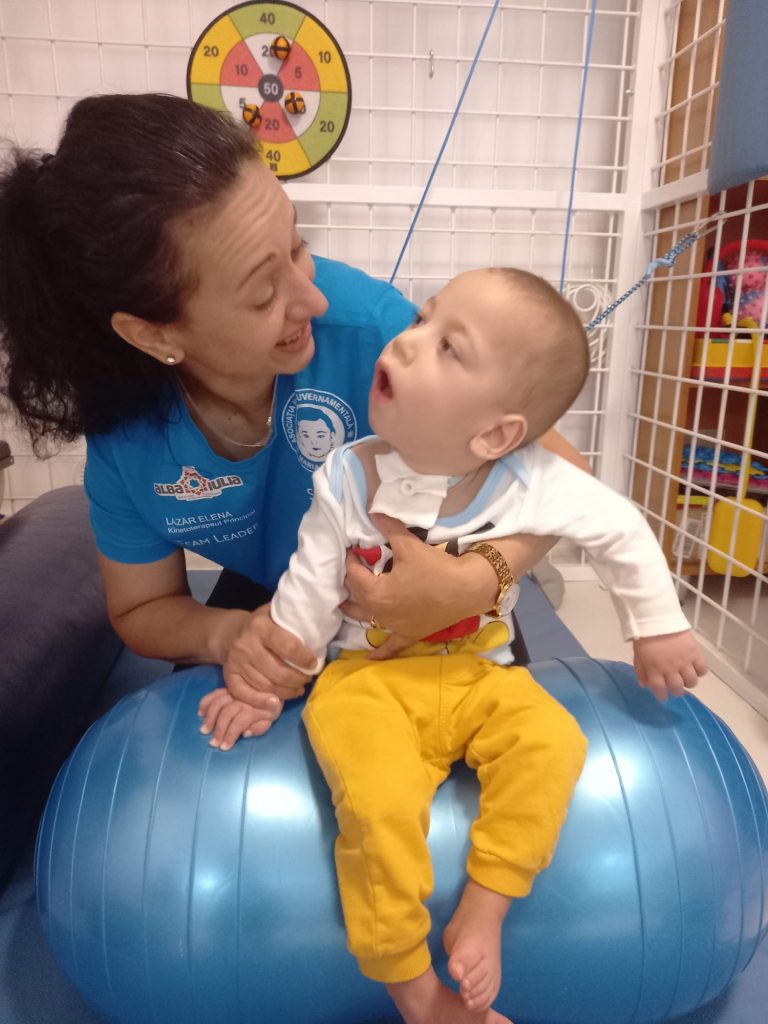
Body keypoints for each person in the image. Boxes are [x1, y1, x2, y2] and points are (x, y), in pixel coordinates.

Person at [0, 93, 587, 886]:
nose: (310, 297)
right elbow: (141, 609)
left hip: (425, 577)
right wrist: (228, 636)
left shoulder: (364, 327)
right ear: (154, 333)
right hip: (279, 591)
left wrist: (475, 580)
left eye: (298, 247)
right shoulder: (131, 437)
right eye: (260, 292)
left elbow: (565, 476)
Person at [199, 267, 707, 1024]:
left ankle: (488, 903)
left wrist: (656, 625)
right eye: (421, 321)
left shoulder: (530, 478)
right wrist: (268, 681)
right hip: (366, 680)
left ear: (495, 434)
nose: (407, 342)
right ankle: (411, 986)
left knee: (553, 743)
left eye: (447, 347)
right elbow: (307, 586)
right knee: (374, 805)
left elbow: (619, 528)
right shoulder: (348, 473)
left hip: (480, 674)